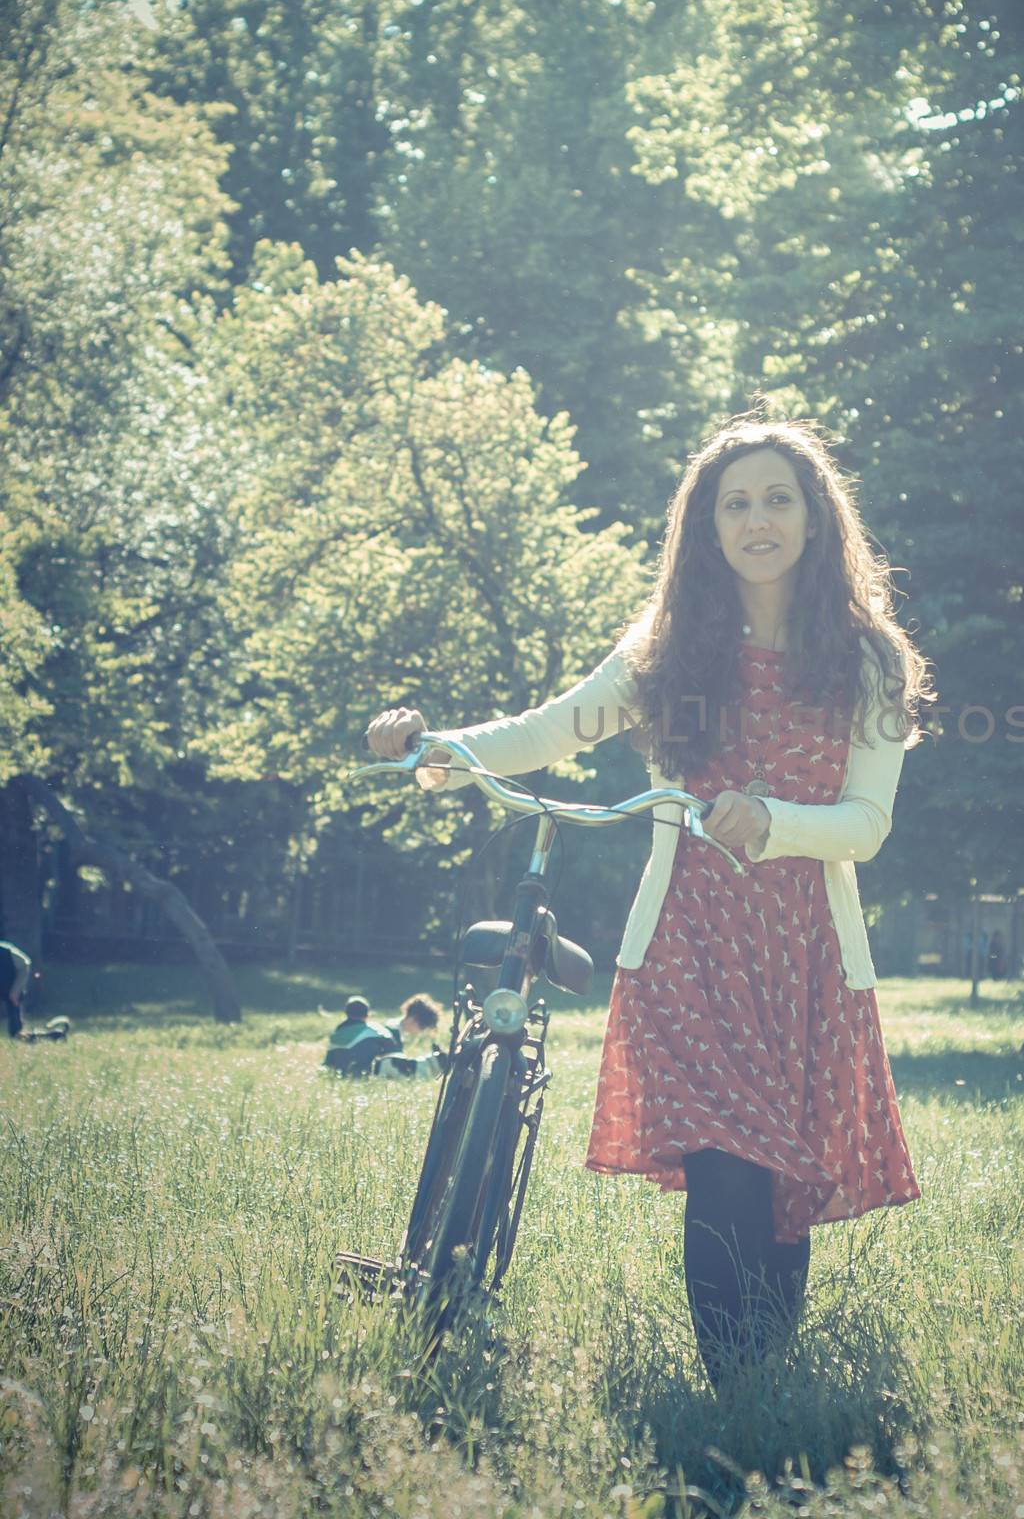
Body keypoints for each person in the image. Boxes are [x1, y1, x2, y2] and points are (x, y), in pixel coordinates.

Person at [366, 412, 934, 1390]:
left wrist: (776, 820)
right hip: (688, 947)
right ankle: (733, 1391)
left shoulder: (869, 659)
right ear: (706, 528)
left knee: (778, 1184)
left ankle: (764, 1387)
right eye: (735, 503)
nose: (756, 520)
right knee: (719, 1173)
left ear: (815, 517)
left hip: (804, 955)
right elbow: (549, 732)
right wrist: (439, 750)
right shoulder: (667, 652)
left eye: (776, 499)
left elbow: (867, 824)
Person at [322, 994, 401, 1076]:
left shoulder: (338, 1031)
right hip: (363, 1074)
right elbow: (394, 1049)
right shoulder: (374, 1029)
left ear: (346, 1013)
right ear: (367, 1014)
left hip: (338, 1074)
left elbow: (328, 1061)